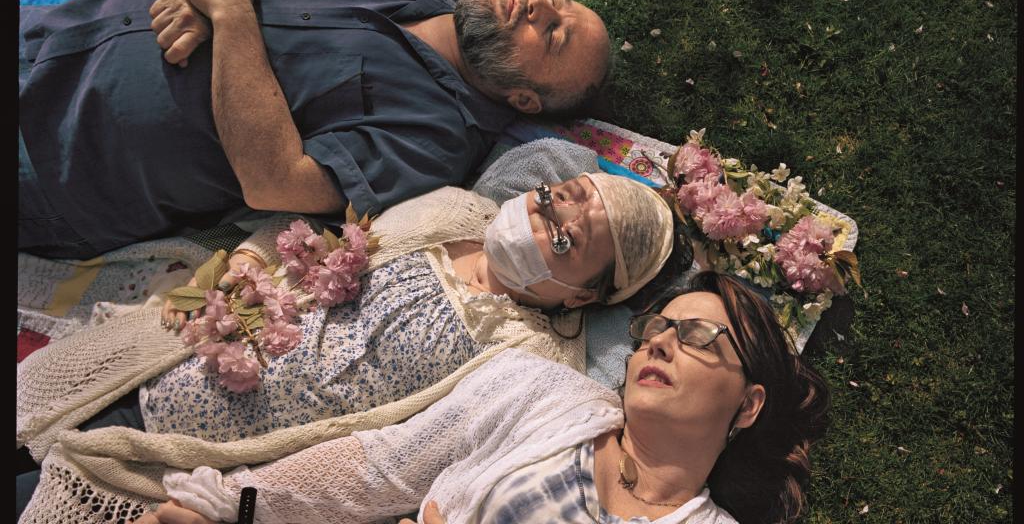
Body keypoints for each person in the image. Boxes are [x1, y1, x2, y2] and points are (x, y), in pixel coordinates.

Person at [16, 172, 675, 519]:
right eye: (559, 196)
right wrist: (247, 264)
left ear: (584, 296)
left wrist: (236, 501)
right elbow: (307, 236)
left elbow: (395, 464)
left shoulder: (531, 363)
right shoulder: (452, 211)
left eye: (565, 239)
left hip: (184, 467)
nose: (543, 215)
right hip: (172, 347)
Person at [46, 271, 828, 524]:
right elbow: (375, 469)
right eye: (662, 325)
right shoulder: (535, 394)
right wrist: (228, 508)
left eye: (700, 339)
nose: (661, 340)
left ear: (750, 405)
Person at [18, 0, 613, 260]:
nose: (539, 4)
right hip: (48, 29)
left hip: (54, 160)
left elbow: (276, 183)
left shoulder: (434, 141)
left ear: (523, 99)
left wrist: (229, 13)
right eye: (555, 0)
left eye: (554, 34)